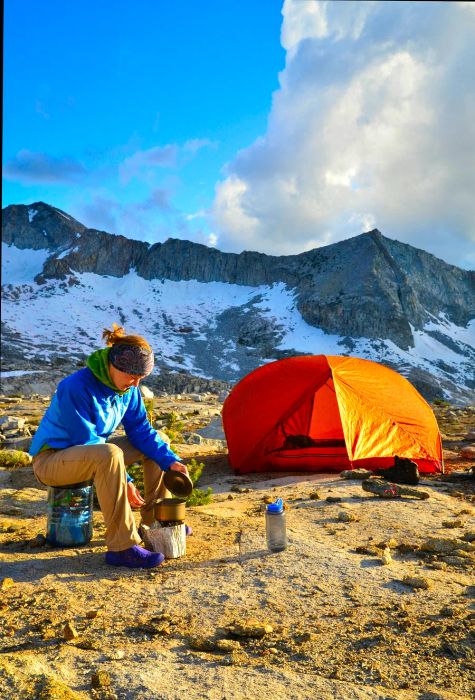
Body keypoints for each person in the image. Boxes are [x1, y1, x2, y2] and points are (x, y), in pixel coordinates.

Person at [30, 324, 190, 569]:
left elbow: (141, 431)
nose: (136, 384)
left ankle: (157, 523)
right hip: (52, 460)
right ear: (114, 366)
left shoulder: (127, 390)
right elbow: (86, 439)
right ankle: (122, 547)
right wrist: (126, 481)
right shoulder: (76, 387)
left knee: (159, 441)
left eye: (141, 379)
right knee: (110, 453)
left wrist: (170, 460)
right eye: (133, 377)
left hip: (90, 454)